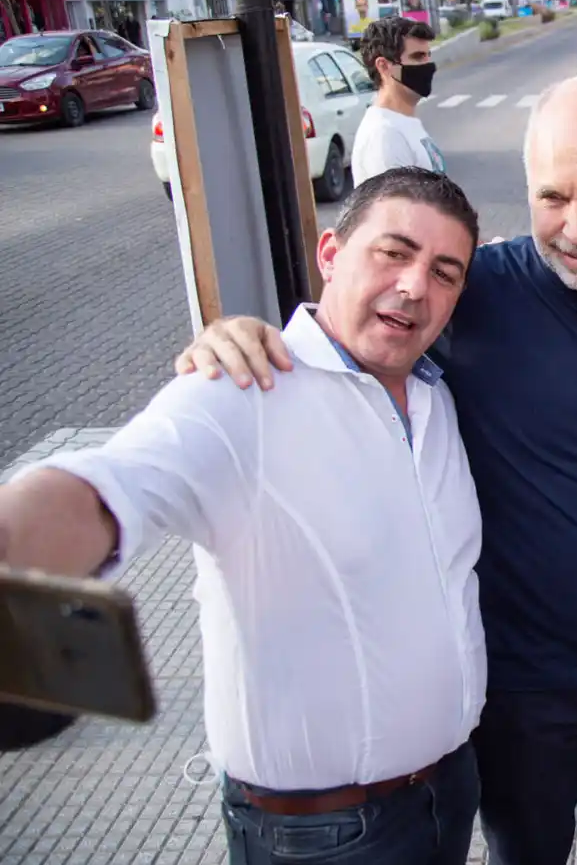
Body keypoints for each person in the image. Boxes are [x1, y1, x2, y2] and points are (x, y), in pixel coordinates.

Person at [170, 75, 577, 865]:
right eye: (552, 198)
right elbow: (351, 332)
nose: (575, 229)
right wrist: (238, 338)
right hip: (505, 682)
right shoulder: (471, 294)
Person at [0, 168, 488, 865]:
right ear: (329, 253)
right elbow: (115, 481)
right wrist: (14, 547)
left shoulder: (437, 399)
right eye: (393, 252)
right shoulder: (241, 393)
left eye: (445, 272)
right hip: (321, 837)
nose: (416, 286)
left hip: (446, 794)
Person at [352, 16, 444, 187]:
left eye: (428, 56)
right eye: (418, 57)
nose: (428, 65)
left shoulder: (402, 122)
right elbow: (398, 211)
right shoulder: (385, 135)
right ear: (383, 66)